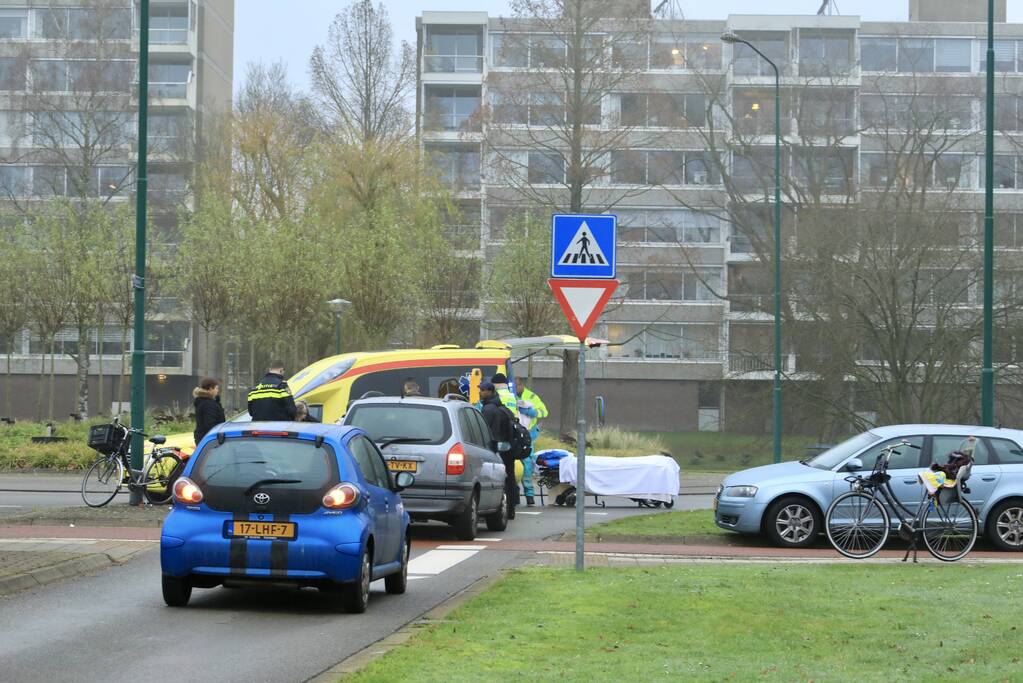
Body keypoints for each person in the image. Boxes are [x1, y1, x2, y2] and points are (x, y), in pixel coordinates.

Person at [480, 381, 517, 519]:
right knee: (509, 479)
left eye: (483, 390)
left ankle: (497, 510)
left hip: (495, 450)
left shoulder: (488, 409)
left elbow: (484, 430)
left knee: (495, 481)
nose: (480, 392)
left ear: (490, 391)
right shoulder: (504, 409)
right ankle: (510, 508)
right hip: (508, 450)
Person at [516, 383, 548, 506]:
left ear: (521, 385)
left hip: (528, 435)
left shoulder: (531, 396)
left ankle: (529, 495)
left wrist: (532, 412)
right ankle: (516, 494)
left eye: (516, 386)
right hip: (515, 433)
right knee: (515, 466)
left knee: (527, 465)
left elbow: (544, 412)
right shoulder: (510, 395)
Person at [192, 377, 225, 444]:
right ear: (210, 389)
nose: (217, 391)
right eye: (216, 388)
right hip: (210, 439)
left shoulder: (203, 401)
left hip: (204, 438)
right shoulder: (209, 404)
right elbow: (211, 425)